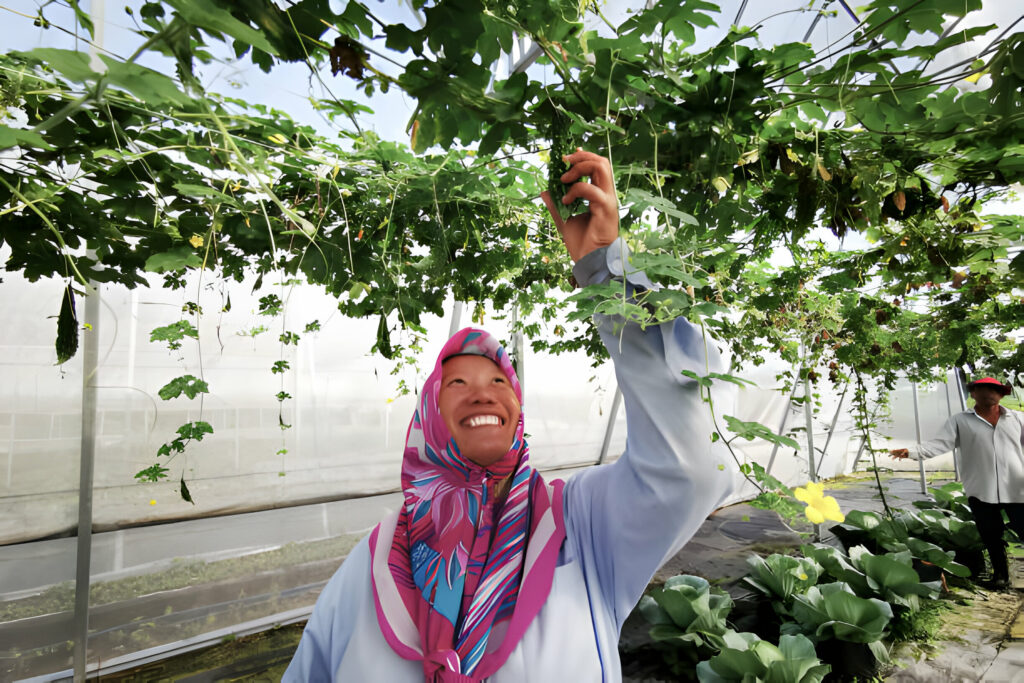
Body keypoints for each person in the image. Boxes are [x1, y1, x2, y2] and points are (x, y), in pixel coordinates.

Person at [282, 150, 735, 681]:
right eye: (458, 384)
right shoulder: (378, 558)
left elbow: (697, 466)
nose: (484, 395)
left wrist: (608, 278)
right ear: (428, 416)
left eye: (499, 380)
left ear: (518, 411)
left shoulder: (581, 528)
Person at [891, 376, 1024, 589]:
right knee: (991, 536)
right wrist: (912, 452)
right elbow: (940, 444)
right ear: (973, 394)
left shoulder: (1018, 419)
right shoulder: (960, 421)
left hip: (1018, 488)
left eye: (993, 389)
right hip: (981, 489)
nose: (988, 393)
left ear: (1001, 394)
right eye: (981, 389)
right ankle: (1001, 577)